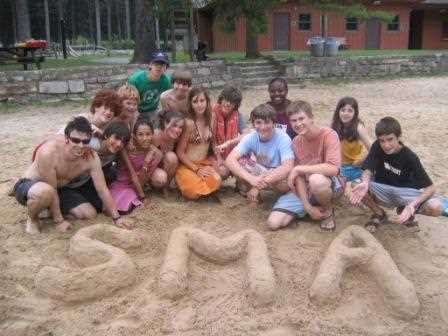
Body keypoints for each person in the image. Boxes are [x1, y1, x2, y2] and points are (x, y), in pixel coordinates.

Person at [13, 117, 127, 234]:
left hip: (61, 189)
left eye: (85, 141)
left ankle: (48, 210)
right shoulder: (49, 152)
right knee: (46, 192)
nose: (81, 145)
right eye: (76, 140)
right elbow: (52, 188)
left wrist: (116, 217)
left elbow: (102, 189)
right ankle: (32, 219)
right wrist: (59, 221)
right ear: (66, 138)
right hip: (31, 186)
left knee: (89, 214)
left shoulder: (91, 157)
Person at [350, 117, 448, 233]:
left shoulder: (410, 157)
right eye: (382, 140)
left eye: (390, 139)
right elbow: (368, 169)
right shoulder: (377, 146)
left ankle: (404, 210)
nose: (386, 145)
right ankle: (379, 213)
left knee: (436, 207)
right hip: (383, 189)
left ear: (399, 137)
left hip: (405, 192)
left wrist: (412, 205)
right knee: (356, 184)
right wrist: (365, 182)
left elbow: (430, 188)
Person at [268, 100, 344, 231]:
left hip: (329, 184)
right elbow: (299, 178)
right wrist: (307, 206)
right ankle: (309, 209)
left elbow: (333, 168)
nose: (298, 124)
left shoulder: (328, 135)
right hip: (306, 188)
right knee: (273, 223)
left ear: (311, 118)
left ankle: (328, 211)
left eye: (301, 118)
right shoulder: (296, 142)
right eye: (293, 120)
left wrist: (299, 168)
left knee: (317, 180)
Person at [225, 104, 294, 207]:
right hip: (261, 172)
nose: (263, 127)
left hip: (278, 176)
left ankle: (279, 196)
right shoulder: (251, 137)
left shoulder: (283, 138)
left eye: (267, 122)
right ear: (253, 124)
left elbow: (287, 167)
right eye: (258, 122)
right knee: (240, 162)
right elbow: (229, 160)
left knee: (285, 182)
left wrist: (257, 186)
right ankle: (254, 197)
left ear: (274, 123)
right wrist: (250, 179)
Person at [175, 88, 221, 200]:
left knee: (217, 181)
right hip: (188, 165)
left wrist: (218, 157)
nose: (199, 105)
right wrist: (196, 169)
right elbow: (179, 152)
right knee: (193, 192)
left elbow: (213, 140)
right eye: (195, 102)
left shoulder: (212, 118)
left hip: (204, 163)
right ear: (190, 104)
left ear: (207, 101)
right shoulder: (189, 123)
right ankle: (184, 182)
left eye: (202, 100)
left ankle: (198, 185)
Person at [110, 118, 163, 214]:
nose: (145, 138)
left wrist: (146, 163)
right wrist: (143, 198)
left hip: (138, 184)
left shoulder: (156, 153)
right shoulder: (125, 149)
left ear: (152, 135)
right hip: (122, 183)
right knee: (121, 206)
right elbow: (132, 174)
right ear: (134, 136)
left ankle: (134, 195)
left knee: (130, 204)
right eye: (140, 134)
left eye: (148, 134)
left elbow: (143, 179)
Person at [212, 86, 250, 179]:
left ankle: (239, 182)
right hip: (212, 152)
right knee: (223, 172)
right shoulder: (212, 113)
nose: (228, 104)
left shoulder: (237, 115)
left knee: (246, 165)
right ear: (221, 99)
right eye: (226, 99)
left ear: (236, 105)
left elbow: (247, 134)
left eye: (232, 102)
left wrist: (229, 142)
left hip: (229, 150)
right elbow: (210, 138)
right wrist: (219, 158)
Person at [331, 97, 372, 182]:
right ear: (338, 111)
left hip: (354, 168)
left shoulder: (359, 127)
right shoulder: (335, 126)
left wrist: (361, 161)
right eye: (343, 110)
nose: (346, 113)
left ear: (355, 113)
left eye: (350, 111)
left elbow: (373, 149)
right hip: (338, 167)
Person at [128, 51, 172, 121]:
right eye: (156, 64)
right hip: (135, 110)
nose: (159, 67)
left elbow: (168, 99)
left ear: (166, 68)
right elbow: (128, 99)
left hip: (153, 111)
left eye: (162, 65)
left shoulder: (167, 81)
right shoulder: (135, 79)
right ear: (150, 65)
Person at [152, 111, 186, 191]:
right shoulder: (156, 135)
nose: (177, 130)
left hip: (162, 167)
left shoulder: (176, 139)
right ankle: (152, 185)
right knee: (161, 178)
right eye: (174, 125)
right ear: (165, 123)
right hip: (151, 169)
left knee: (172, 157)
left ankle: (165, 187)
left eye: (180, 127)